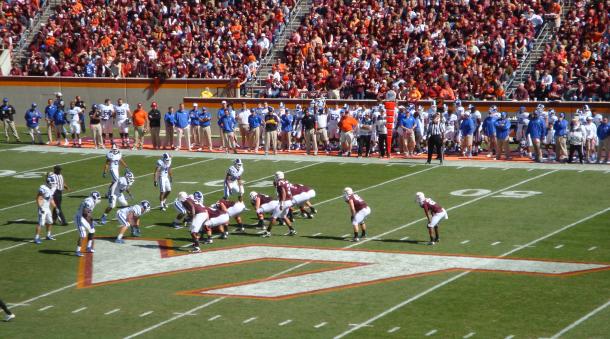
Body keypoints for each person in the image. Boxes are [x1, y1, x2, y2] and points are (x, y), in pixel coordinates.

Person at [262, 171, 296, 237]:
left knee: (273, 217)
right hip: (289, 201)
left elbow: (283, 193)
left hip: (284, 202)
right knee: (284, 216)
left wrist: (281, 204)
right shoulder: (286, 181)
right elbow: (288, 191)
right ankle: (292, 230)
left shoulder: (279, 183)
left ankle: (268, 232)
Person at [74, 191, 101, 257]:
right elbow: (85, 213)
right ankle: (77, 251)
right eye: (98, 198)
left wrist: (91, 220)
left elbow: (89, 212)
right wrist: (90, 220)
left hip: (84, 217)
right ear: (94, 197)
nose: (98, 199)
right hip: (80, 218)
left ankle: (88, 247)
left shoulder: (91, 201)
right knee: (83, 235)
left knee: (92, 231)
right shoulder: (89, 202)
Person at [35, 175, 57, 244]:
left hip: (47, 208)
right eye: (52, 183)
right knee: (41, 223)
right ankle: (36, 237)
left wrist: (55, 207)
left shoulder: (50, 189)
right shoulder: (43, 188)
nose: (53, 184)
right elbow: (38, 198)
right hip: (43, 208)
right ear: (48, 182)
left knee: (50, 221)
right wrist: (40, 207)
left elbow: (51, 199)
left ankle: (48, 235)